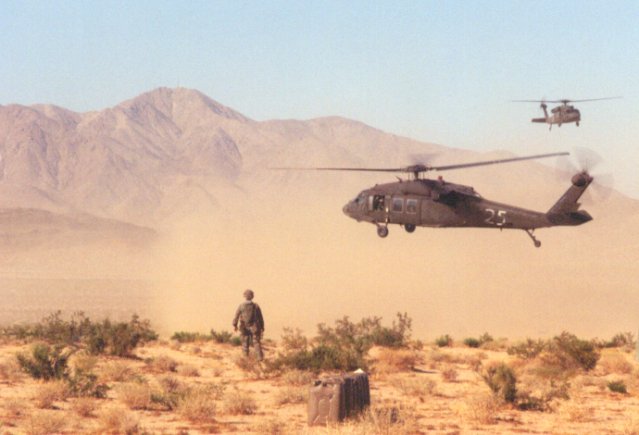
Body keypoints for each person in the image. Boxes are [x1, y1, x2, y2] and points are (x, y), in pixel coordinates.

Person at [232, 289, 265, 360]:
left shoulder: (241, 306)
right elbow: (260, 317)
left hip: (244, 327)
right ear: (252, 296)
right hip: (254, 327)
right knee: (256, 343)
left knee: (245, 344)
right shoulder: (256, 306)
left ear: (244, 296)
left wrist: (235, 325)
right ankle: (260, 358)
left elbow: (236, 316)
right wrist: (262, 327)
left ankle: (245, 359)